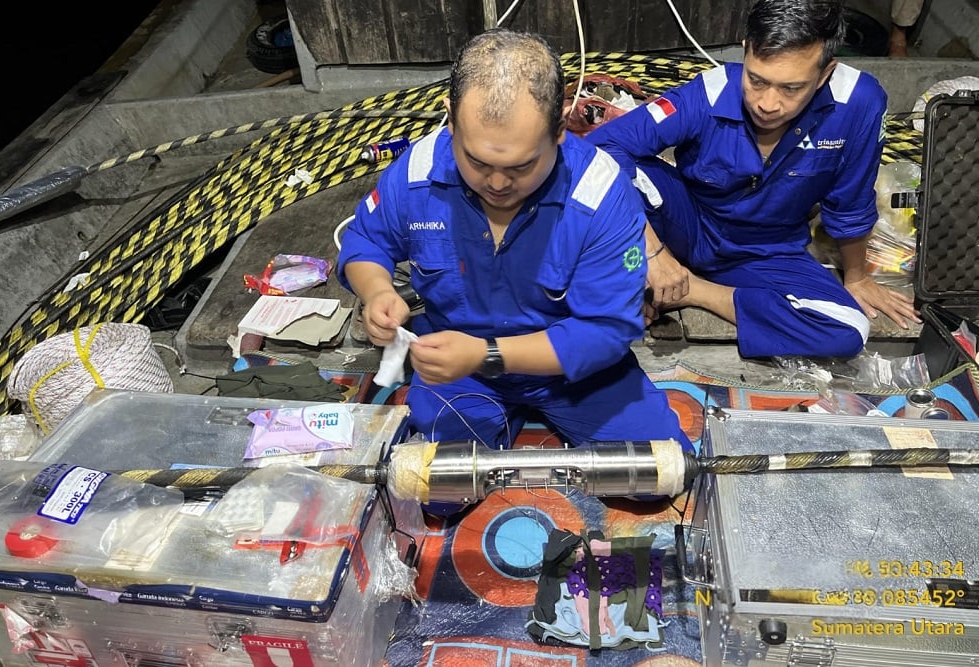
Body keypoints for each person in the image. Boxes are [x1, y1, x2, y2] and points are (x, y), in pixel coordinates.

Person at [337, 29, 692, 513]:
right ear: (449, 118)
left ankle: (514, 424)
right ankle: (493, 421)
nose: (499, 183)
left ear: (560, 131)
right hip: (460, 369)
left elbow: (606, 332)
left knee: (659, 476)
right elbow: (365, 241)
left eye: (523, 166)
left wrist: (485, 354)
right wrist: (376, 290)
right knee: (436, 493)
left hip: (572, 374)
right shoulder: (415, 172)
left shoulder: (600, 192)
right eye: (477, 161)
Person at [588, 0, 920, 360]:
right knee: (606, 175)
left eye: (791, 88)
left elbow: (851, 202)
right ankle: (647, 277)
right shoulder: (708, 92)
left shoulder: (859, 102)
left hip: (767, 250)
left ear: (826, 74)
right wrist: (651, 252)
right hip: (686, 222)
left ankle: (689, 290)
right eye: (756, 80)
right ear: (746, 51)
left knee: (848, 328)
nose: (767, 103)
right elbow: (600, 147)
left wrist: (856, 278)